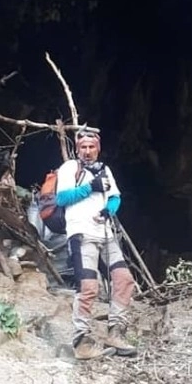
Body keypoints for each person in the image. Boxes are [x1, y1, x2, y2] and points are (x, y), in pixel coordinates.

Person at [55, 125, 137, 361]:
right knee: (88, 288)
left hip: (105, 234)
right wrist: (90, 187)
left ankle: (116, 332)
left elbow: (115, 197)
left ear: (98, 149)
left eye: (92, 147)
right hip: (81, 234)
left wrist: (107, 211)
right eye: (83, 147)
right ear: (77, 149)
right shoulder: (70, 167)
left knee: (124, 280)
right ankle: (81, 342)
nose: (88, 151)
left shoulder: (105, 170)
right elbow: (62, 198)